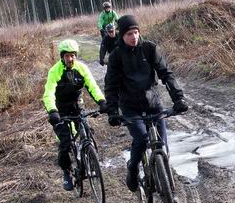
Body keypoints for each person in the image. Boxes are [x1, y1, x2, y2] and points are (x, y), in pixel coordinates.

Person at [104, 15, 189, 192]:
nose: (134, 37)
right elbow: (111, 86)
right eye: (129, 34)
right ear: (122, 35)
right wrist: (112, 111)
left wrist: (178, 98)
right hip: (130, 107)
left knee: (162, 147)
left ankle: (169, 190)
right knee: (142, 139)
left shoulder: (150, 48)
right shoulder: (116, 56)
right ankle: (133, 168)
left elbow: (166, 74)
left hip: (153, 103)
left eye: (136, 32)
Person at [43, 39, 107, 191]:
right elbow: (48, 94)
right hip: (60, 111)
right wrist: (52, 112)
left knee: (87, 132)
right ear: (62, 56)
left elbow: (92, 85)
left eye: (73, 55)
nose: (70, 59)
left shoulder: (81, 68)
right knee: (64, 143)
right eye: (67, 56)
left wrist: (102, 101)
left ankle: (90, 159)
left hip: (77, 107)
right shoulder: (55, 71)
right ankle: (66, 172)